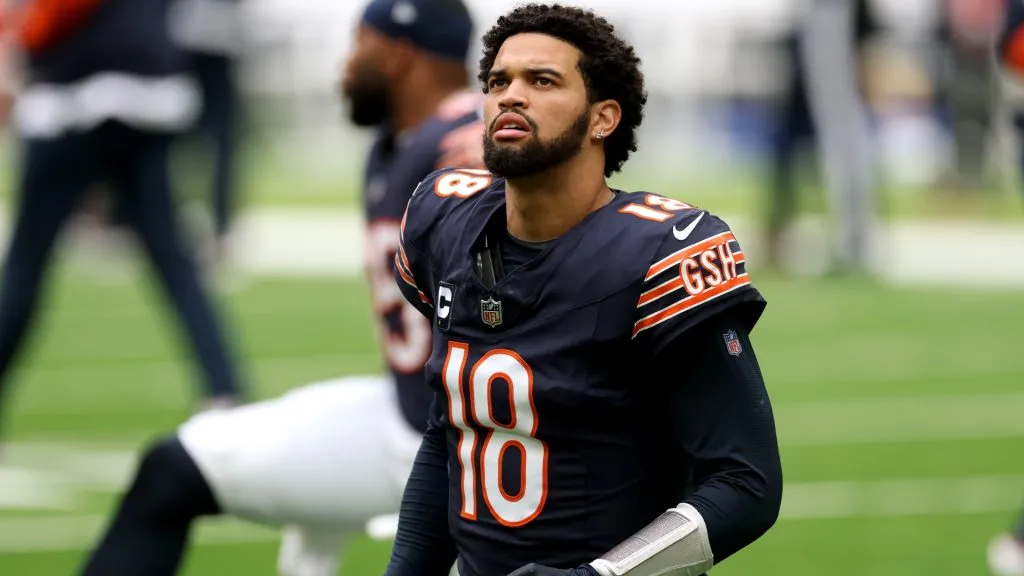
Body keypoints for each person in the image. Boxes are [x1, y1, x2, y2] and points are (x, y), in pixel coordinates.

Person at [75, 1, 482, 575]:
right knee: (177, 465)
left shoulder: (469, 144)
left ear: (395, 55)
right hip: (408, 415)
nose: (345, 65)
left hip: (463, 450)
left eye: (358, 43)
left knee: (171, 475)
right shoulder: (400, 141)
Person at [385, 4, 783, 576]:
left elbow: (746, 484)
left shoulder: (655, 253)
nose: (510, 96)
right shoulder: (445, 221)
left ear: (603, 118)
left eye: (542, 81)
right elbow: (450, 434)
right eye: (498, 81)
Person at [0, 0, 245, 419]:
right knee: (173, 260)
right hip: (146, 92)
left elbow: (53, 14)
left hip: (76, 92)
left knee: (26, 262)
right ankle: (224, 389)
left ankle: (225, 390)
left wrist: (19, 39)